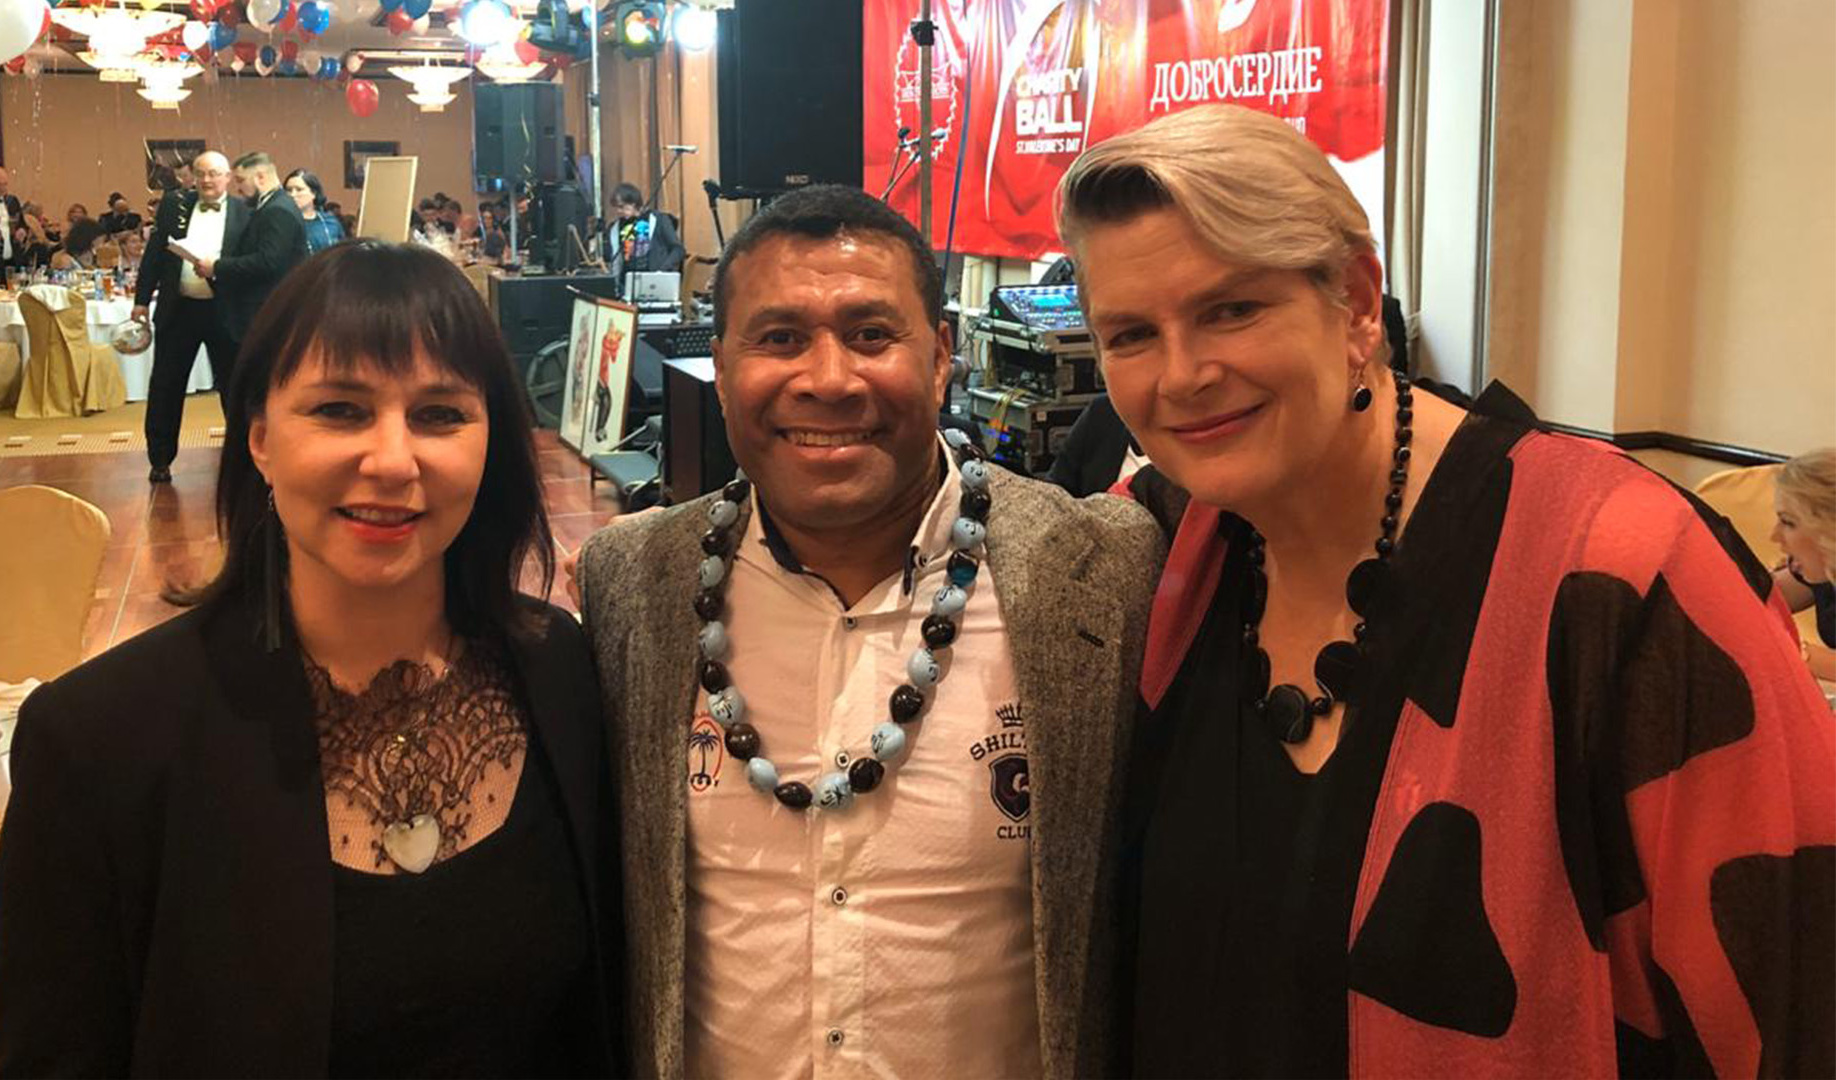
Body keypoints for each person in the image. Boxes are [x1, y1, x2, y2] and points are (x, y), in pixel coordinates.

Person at [1052, 104, 1835, 1079]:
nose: (1182, 375)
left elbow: (1793, 1004)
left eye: (1232, 309)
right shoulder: (1166, 552)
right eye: (1131, 334)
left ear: (1356, 301)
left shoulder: (1623, 575)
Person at [0, 241, 625, 1077]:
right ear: (259, 438)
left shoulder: (561, 669)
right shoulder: (100, 739)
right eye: (340, 410)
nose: (392, 460)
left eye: (439, 415)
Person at [577, 184, 1164, 1079]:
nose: (828, 378)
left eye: (871, 334)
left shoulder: (1104, 575)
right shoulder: (630, 581)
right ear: (720, 367)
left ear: (941, 357)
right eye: (779, 338)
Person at [133, 150, 251, 484]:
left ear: (228, 177)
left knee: (235, 388)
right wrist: (141, 300)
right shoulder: (174, 205)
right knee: (166, 386)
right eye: (200, 174)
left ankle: (244, 461)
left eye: (214, 173)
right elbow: (155, 254)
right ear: (192, 177)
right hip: (179, 309)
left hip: (225, 311)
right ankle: (160, 459)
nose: (207, 180)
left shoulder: (246, 213)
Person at [189, 151, 308, 354]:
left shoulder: (277, 210)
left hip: (269, 311)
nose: (238, 188)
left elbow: (269, 261)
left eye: (241, 180)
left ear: (260, 177)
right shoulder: (271, 206)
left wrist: (217, 266)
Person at [1773, 448, 1836, 682]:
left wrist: (1801, 654)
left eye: (1788, 522)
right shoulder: (1820, 569)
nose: (1775, 536)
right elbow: (1756, 597)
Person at [602, 182, 683, 275]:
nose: (618, 211)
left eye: (621, 206)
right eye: (616, 207)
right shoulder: (615, 228)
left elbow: (678, 250)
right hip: (626, 279)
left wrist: (662, 270)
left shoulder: (659, 220)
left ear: (633, 203)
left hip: (655, 277)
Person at [285, 169, 345, 253]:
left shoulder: (331, 222)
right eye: (288, 190)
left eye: (299, 189)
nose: (293, 194)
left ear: (314, 193)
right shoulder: (283, 224)